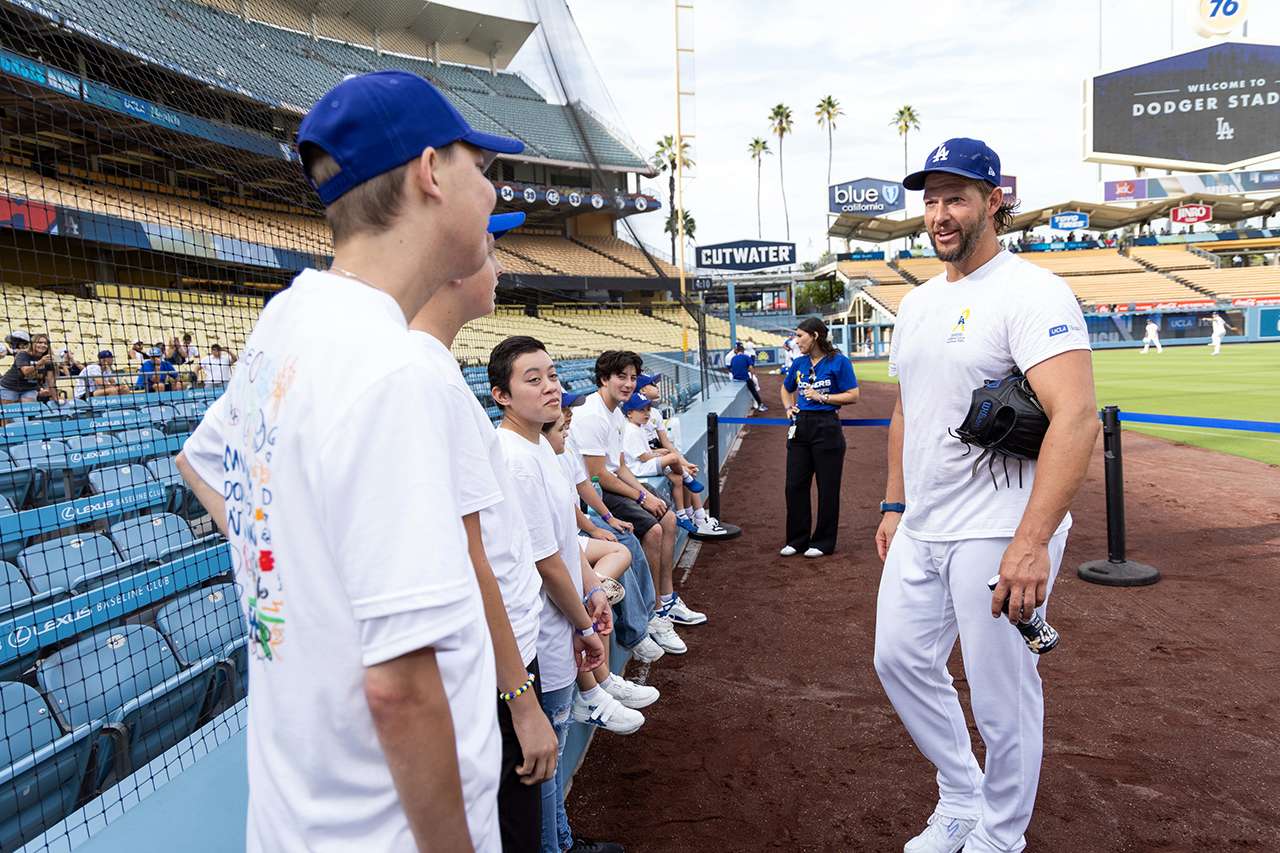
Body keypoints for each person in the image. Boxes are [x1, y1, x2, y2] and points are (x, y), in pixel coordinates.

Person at [175, 69, 525, 852]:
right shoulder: (389, 365)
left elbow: (200, 462)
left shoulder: (286, 318)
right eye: (484, 169)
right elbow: (400, 689)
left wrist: (301, 568)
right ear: (431, 173)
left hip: (293, 820)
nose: (494, 193)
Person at [875, 138, 1099, 853]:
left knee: (1003, 697)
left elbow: (1076, 416)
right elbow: (908, 407)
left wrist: (1032, 541)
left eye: (956, 197)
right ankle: (962, 795)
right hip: (925, 523)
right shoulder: (914, 302)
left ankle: (1001, 837)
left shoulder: (1032, 291)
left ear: (993, 199)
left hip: (1001, 523)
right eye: (931, 200)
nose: (940, 214)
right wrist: (892, 503)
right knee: (899, 660)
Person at [407, 216, 559, 852]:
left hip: (499, 655)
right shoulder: (425, 374)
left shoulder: (430, 367)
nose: (499, 262)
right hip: (493, 670)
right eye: (490, 247)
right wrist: (522, 699)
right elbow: (471, 556)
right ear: (450, 262)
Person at [490, 336, 650, 853]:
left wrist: (591, 592)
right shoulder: (514, 457)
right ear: (502, 396)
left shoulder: (541, 447)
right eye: (532, 379)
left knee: (552, 752)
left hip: (556, 621)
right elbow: (543, 561)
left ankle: (561, 840)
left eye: (553, 374)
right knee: (544, 758)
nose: (550, 386)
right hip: (536, 629)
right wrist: (584, 622)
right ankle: (556, 845)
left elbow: (562, 540)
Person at [569, 350, 704, 656]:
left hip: (611, 484)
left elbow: (621, 467)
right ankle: (654, 612)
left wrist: (648, 495)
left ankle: (666, 599)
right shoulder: (591, 414)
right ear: (604, 379)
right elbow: (598, 476)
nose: (629, 384)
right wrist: (642, 495)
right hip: (595, 493)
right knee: (651, 532)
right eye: (621, 377)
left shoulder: (616, 412)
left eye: (633, 378)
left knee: (667, 518)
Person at [779, 317, 859, 558]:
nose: (796, 340)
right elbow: (786, 388)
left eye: (800, 335)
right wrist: (787, 407)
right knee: (794, 485)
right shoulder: (799, 363)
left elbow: (853, 395)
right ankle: (797, 540)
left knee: (827, 488)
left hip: (827, 427)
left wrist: (823, 398)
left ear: (814, 336)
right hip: (800, 426)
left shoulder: (839, 362)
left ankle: (823, 542)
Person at [621, 392, 725, 540]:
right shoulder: (631, 430)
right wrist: (659, 454)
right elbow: (643, 456)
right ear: (629, 413)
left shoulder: (638, 427)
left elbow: (646, 453)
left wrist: (657, 453)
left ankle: (683, 514)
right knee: (673, 457)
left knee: (676, 479)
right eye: (641, 410)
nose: (646, 414)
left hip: (645, 464)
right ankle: (687, 478)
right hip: (640, 468)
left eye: (647, 410)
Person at [0, 330, 51, 405]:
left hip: (29, 388)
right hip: (10, 386)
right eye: (40, 343)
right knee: (10, 411)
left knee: (29, 408)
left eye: (23, 343)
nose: (21, 345)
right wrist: (40, 363)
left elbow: (47, 377)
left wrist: (44, 389)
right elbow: (25, 371)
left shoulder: (47, 358)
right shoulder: (22, 354)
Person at [728, 342, 767, 411]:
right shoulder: (746, 357)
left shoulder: (733, 358)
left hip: (735, 379)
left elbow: (731, 369)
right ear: (743, 351)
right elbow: (751, 368)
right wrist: (752, 376)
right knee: (753, 390)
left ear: (737, 351)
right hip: (744, 379)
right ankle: (760, 404)